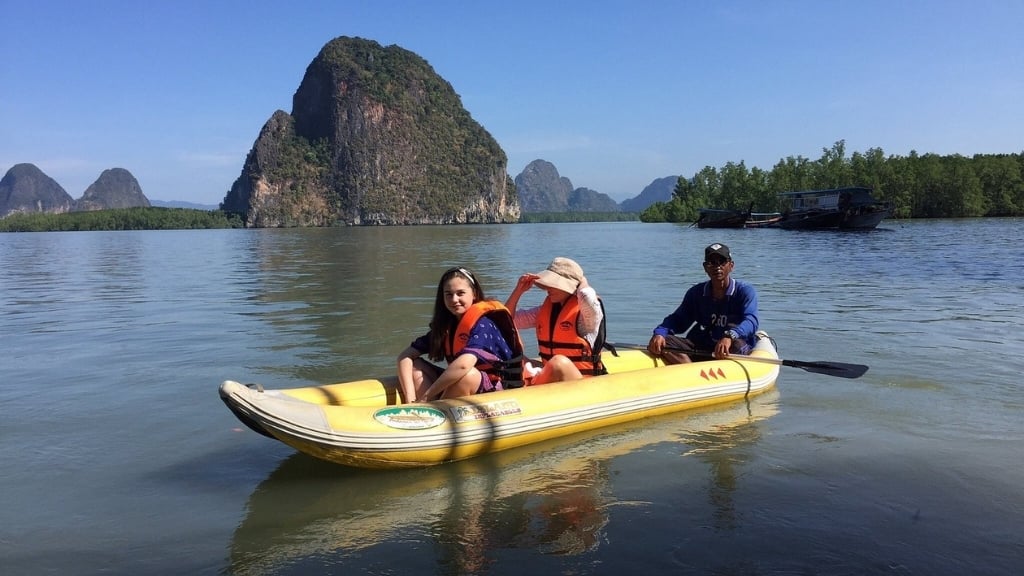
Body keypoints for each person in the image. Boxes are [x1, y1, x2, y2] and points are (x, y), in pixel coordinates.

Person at [397, 267, 524, 403]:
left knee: (467, 375)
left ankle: (433, 410)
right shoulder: (447, 326)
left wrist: (426, 397)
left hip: (498, 389)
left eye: (460, 293)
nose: (454, 299)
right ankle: (420, 409)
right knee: (415, 366)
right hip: (459, 389)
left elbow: (464, 365)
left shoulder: (484, 324)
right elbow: (405, 357)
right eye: (448, 294)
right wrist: (411, 399)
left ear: (474, 294)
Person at [647, 243, 758, 364]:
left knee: (735, 346)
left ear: (731, 266)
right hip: (703, 345)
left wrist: (730, 336)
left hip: (732, 344)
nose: (717, 267)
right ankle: (689, 371)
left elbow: (751, 320)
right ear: (705, 267)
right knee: (667, 341)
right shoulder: (696, 293)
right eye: (711, 262)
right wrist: (660, 332)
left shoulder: (744, 291)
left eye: (722, 262)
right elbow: (678, 319)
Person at [505, 257, 607, 385]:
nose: (548, 288)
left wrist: (581, 280)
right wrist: (518, 291)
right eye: (548, 283)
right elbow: (505, 321)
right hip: (553, 379)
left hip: (583, 384)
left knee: (559, 363)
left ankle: (532, 388)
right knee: (513, 358)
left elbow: (586, 297)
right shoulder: (544, 310)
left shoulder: (587, 315)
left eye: (554, 284)